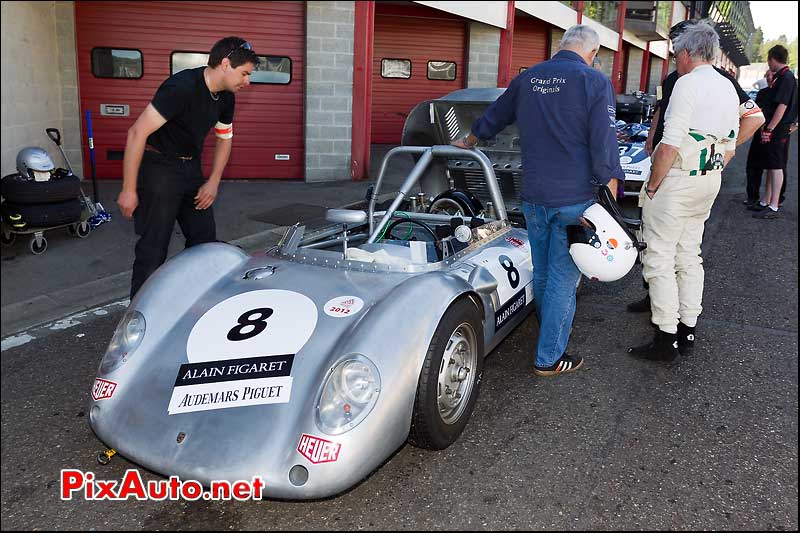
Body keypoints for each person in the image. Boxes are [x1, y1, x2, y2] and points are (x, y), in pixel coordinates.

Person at [452, 25, 622, 377]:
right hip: (573, 199)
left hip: (534, 197)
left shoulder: (529, 78)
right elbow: (604, 143)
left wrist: (466, 141)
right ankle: (549, 357)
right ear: (592, 53)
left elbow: (493, 117)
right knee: (563, 277)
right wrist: (609, 195)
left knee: (543, 270)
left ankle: (549, 329)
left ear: (562, 46)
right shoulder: (593, 81)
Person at [629, 19, 764, 314]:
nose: (674, 53)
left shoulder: (716, 80)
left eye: (677, 47)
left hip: (680, 170)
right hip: (673, 163)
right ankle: (660, 301)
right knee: (669, 246)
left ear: (689, 49)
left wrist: (722, 154)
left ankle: (667, 320)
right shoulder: (672, 78)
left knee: (668, 249)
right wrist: (651, 140)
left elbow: (754, 117)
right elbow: (661, 112)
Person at [117, 37, 258, 299]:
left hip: (190, 169)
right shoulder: (180, 87)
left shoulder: (226, 97)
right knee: (153, 248)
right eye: (245, 74)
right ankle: (139, 316)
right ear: (226, 64)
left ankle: (199, 303)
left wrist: (213, 181)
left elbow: (224, 139)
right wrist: (128, 189)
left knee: (204, 241)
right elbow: (137, 132)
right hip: (159, 168)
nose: (247, 81)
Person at [747, 44, 797, 219]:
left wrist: (770, 128)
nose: (768, 65)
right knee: (770, 165)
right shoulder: (784, 77)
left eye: (769, 61)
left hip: (777, 128)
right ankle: (765, 201)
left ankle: (774, 205)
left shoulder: (786, 78)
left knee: (776, 166)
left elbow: (782, 106)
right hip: (776, 128)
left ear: (772, 59)